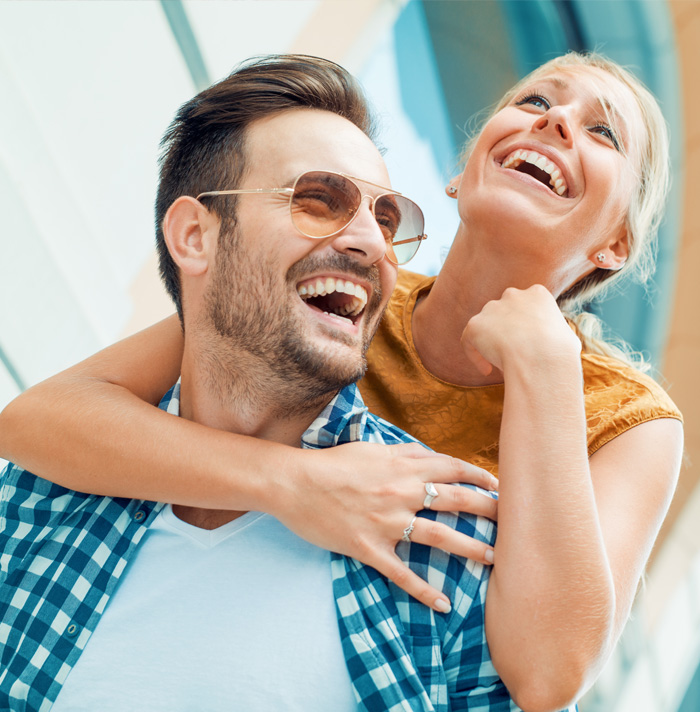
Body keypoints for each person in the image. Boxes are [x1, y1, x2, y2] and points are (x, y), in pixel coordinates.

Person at [0, 51, 683, 710]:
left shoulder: (628, 417)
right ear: (460, 175)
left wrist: (547, 373)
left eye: (602, 131)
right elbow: (42, 421)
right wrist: (297, 483)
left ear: (615, 245)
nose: (555, 120)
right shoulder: (334, 298)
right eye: (535, 99)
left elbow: (547, 676)